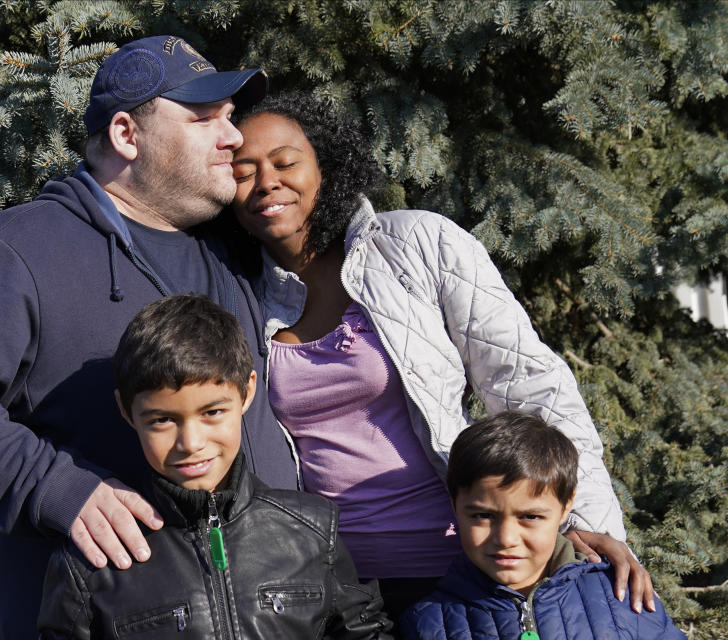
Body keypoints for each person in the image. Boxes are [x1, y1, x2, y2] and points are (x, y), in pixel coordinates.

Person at [0, 36, 299, 638]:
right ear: (127, 135)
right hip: (91, 618)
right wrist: (56, 488)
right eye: (205, 119)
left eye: (231, 117)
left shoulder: (232, 248)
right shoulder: (22, 250)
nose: (233, 138)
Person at [226, 92, 653, 628]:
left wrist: (591, 518)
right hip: (336, 591)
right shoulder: (240, 292)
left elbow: (526, 382)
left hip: (462, 573)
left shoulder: (415, 244)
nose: (267, 182)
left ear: (327, 167)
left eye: (286, 163)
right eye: (244, 171)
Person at [37, 294, 392, 639]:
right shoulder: (91, 560)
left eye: (212, 412)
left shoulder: (314, 529)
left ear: (247, 392)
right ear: (127, 411)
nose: (190, 443)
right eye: (162, 419)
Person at [402, 411, 686, 640]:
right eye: (482, 516)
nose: (506, 538)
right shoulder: (428, 621)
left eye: (530, 517)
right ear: (454, 505)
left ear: (565, 507)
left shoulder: (622, 597)